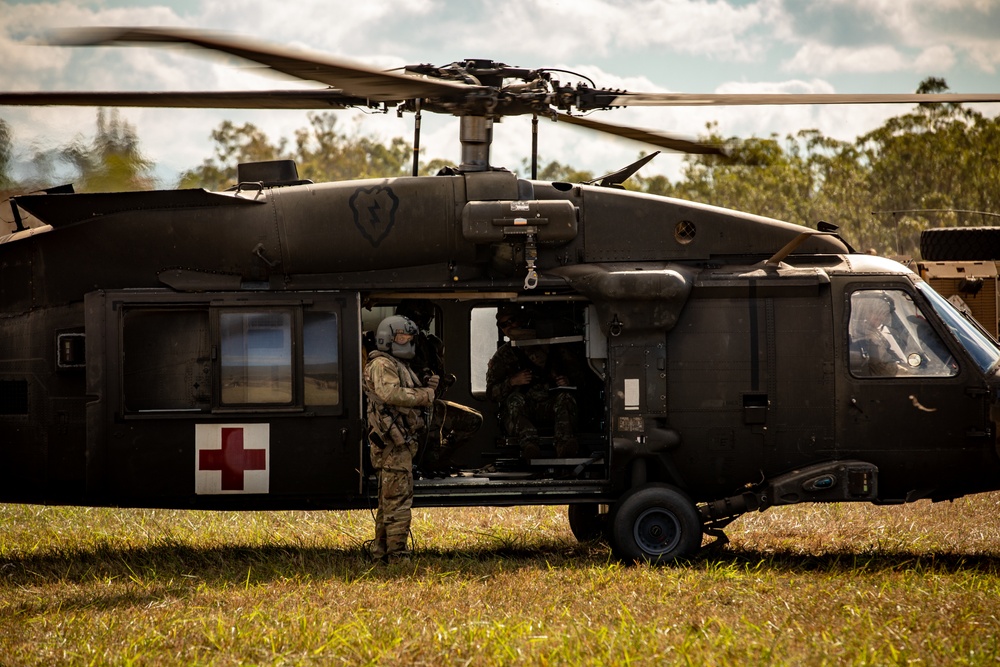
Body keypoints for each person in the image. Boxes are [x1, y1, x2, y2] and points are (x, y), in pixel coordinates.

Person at [363, 314, 438, 563]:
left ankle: (381, 553)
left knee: (389, 501)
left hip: (398, 444)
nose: (406, 342)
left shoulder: (396, 364)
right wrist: (425, 395)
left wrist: (427, 384)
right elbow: (389, 393)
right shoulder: (382, 364)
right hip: (392, 445)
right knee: (398, 501)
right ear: (387, 338)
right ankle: (398, 556)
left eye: (409, 338)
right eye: (401, 337)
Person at [395, 299, 483, 476]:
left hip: (428, 402)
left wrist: (441, 380)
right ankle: (427, 461)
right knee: (434, 415)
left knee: (473, 419)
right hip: (404, 407)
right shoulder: (394, 344)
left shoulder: (429, 345)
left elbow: (437, 386)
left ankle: (439, 458)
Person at [486, 305, 581, 460]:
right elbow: (491, 393)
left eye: (512, 321)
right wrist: (512, 382)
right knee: (514, 401)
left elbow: (581, 377)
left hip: (550, 404)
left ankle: (565, 447)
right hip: (524, 409)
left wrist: (567, 380)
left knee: (565, 397)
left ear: (522, 320)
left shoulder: (552, 346)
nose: (509, 326)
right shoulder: (503, 356)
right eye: (504, 325)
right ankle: (529, 447)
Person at [850, 295, 900, 377]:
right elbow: (882, 366)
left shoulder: (875, 333)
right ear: (866, 313)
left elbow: (889, 353)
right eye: (876, 312)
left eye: (883, 314)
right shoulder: (864, 335)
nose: (880, 317)